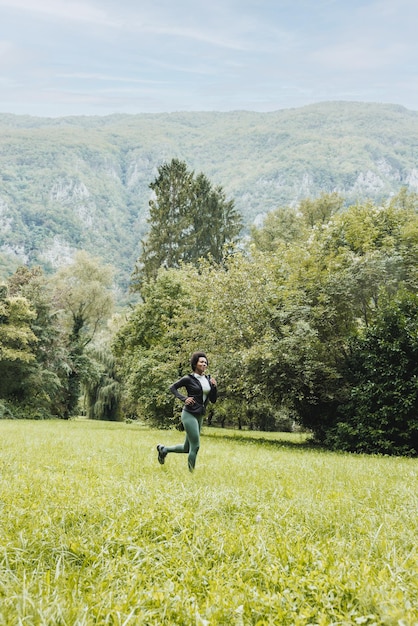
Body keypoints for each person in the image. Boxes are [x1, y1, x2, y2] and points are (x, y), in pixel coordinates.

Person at [157, 352, 217, 472]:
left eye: (205, 362)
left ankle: (164, 450)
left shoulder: (209, 379)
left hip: (200, 414)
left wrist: (214, 387)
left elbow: (213, 400)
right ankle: (191, 475)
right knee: (196, 446)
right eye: (201, 362)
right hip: (189, 414)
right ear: (195, 364)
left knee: (186, 448)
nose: (204, 364)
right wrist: (184, 398)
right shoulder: (188, 379)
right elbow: (172, 388)